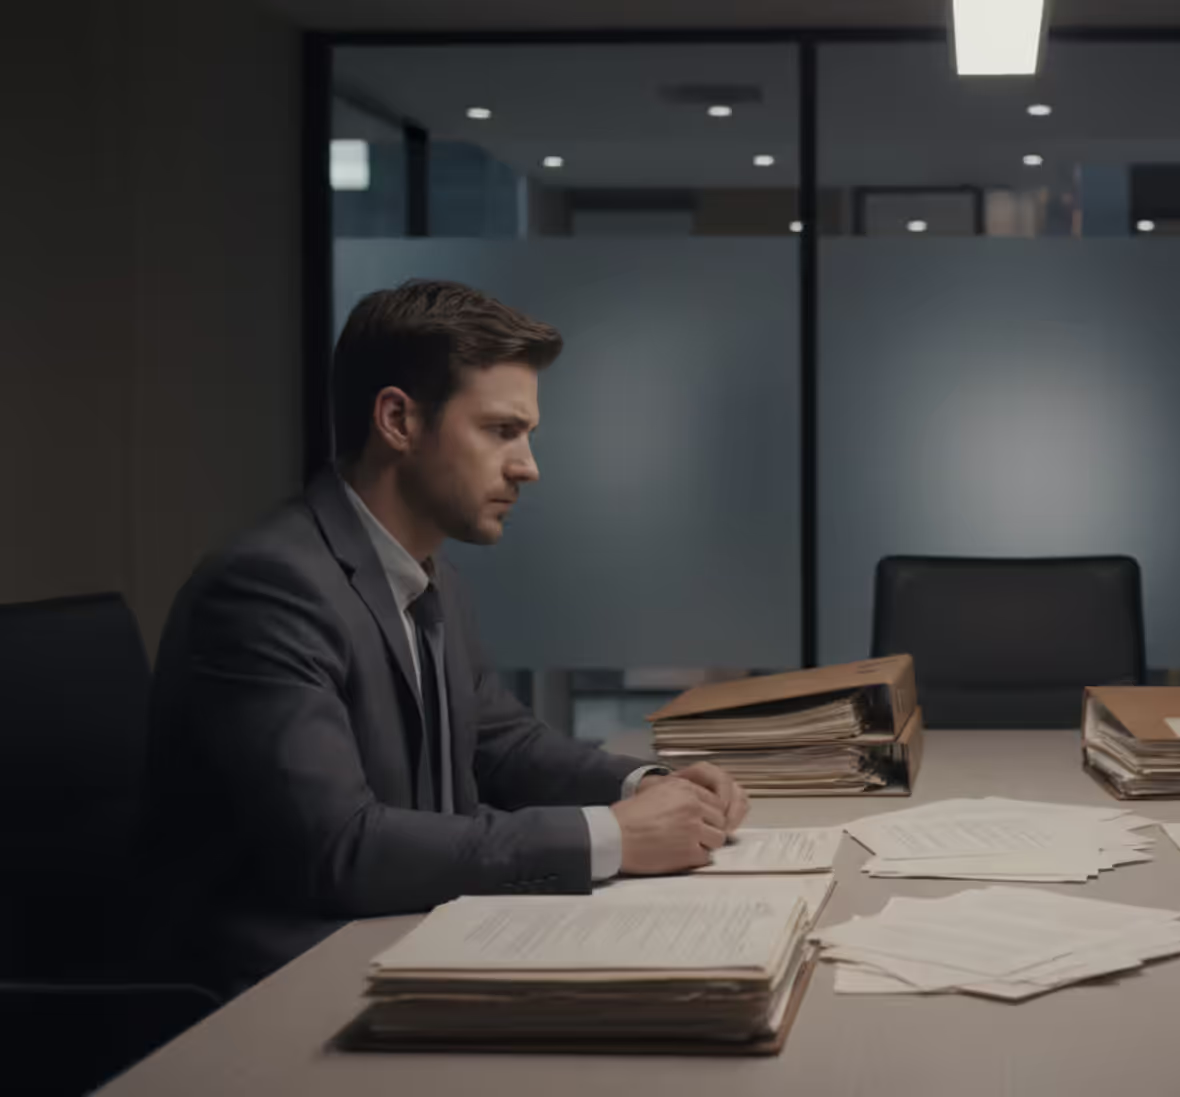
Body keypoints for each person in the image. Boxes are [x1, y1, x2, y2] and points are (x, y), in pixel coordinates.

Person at [146, 280, 749, 994]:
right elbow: (341, 848)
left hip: (407, 938)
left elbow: (503, 744)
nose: (528, 465)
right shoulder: (268, 587)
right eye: (501, 430)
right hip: (271, 994)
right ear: (398, 419)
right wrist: (614, 836)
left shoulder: (429, 574)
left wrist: (651, 785)